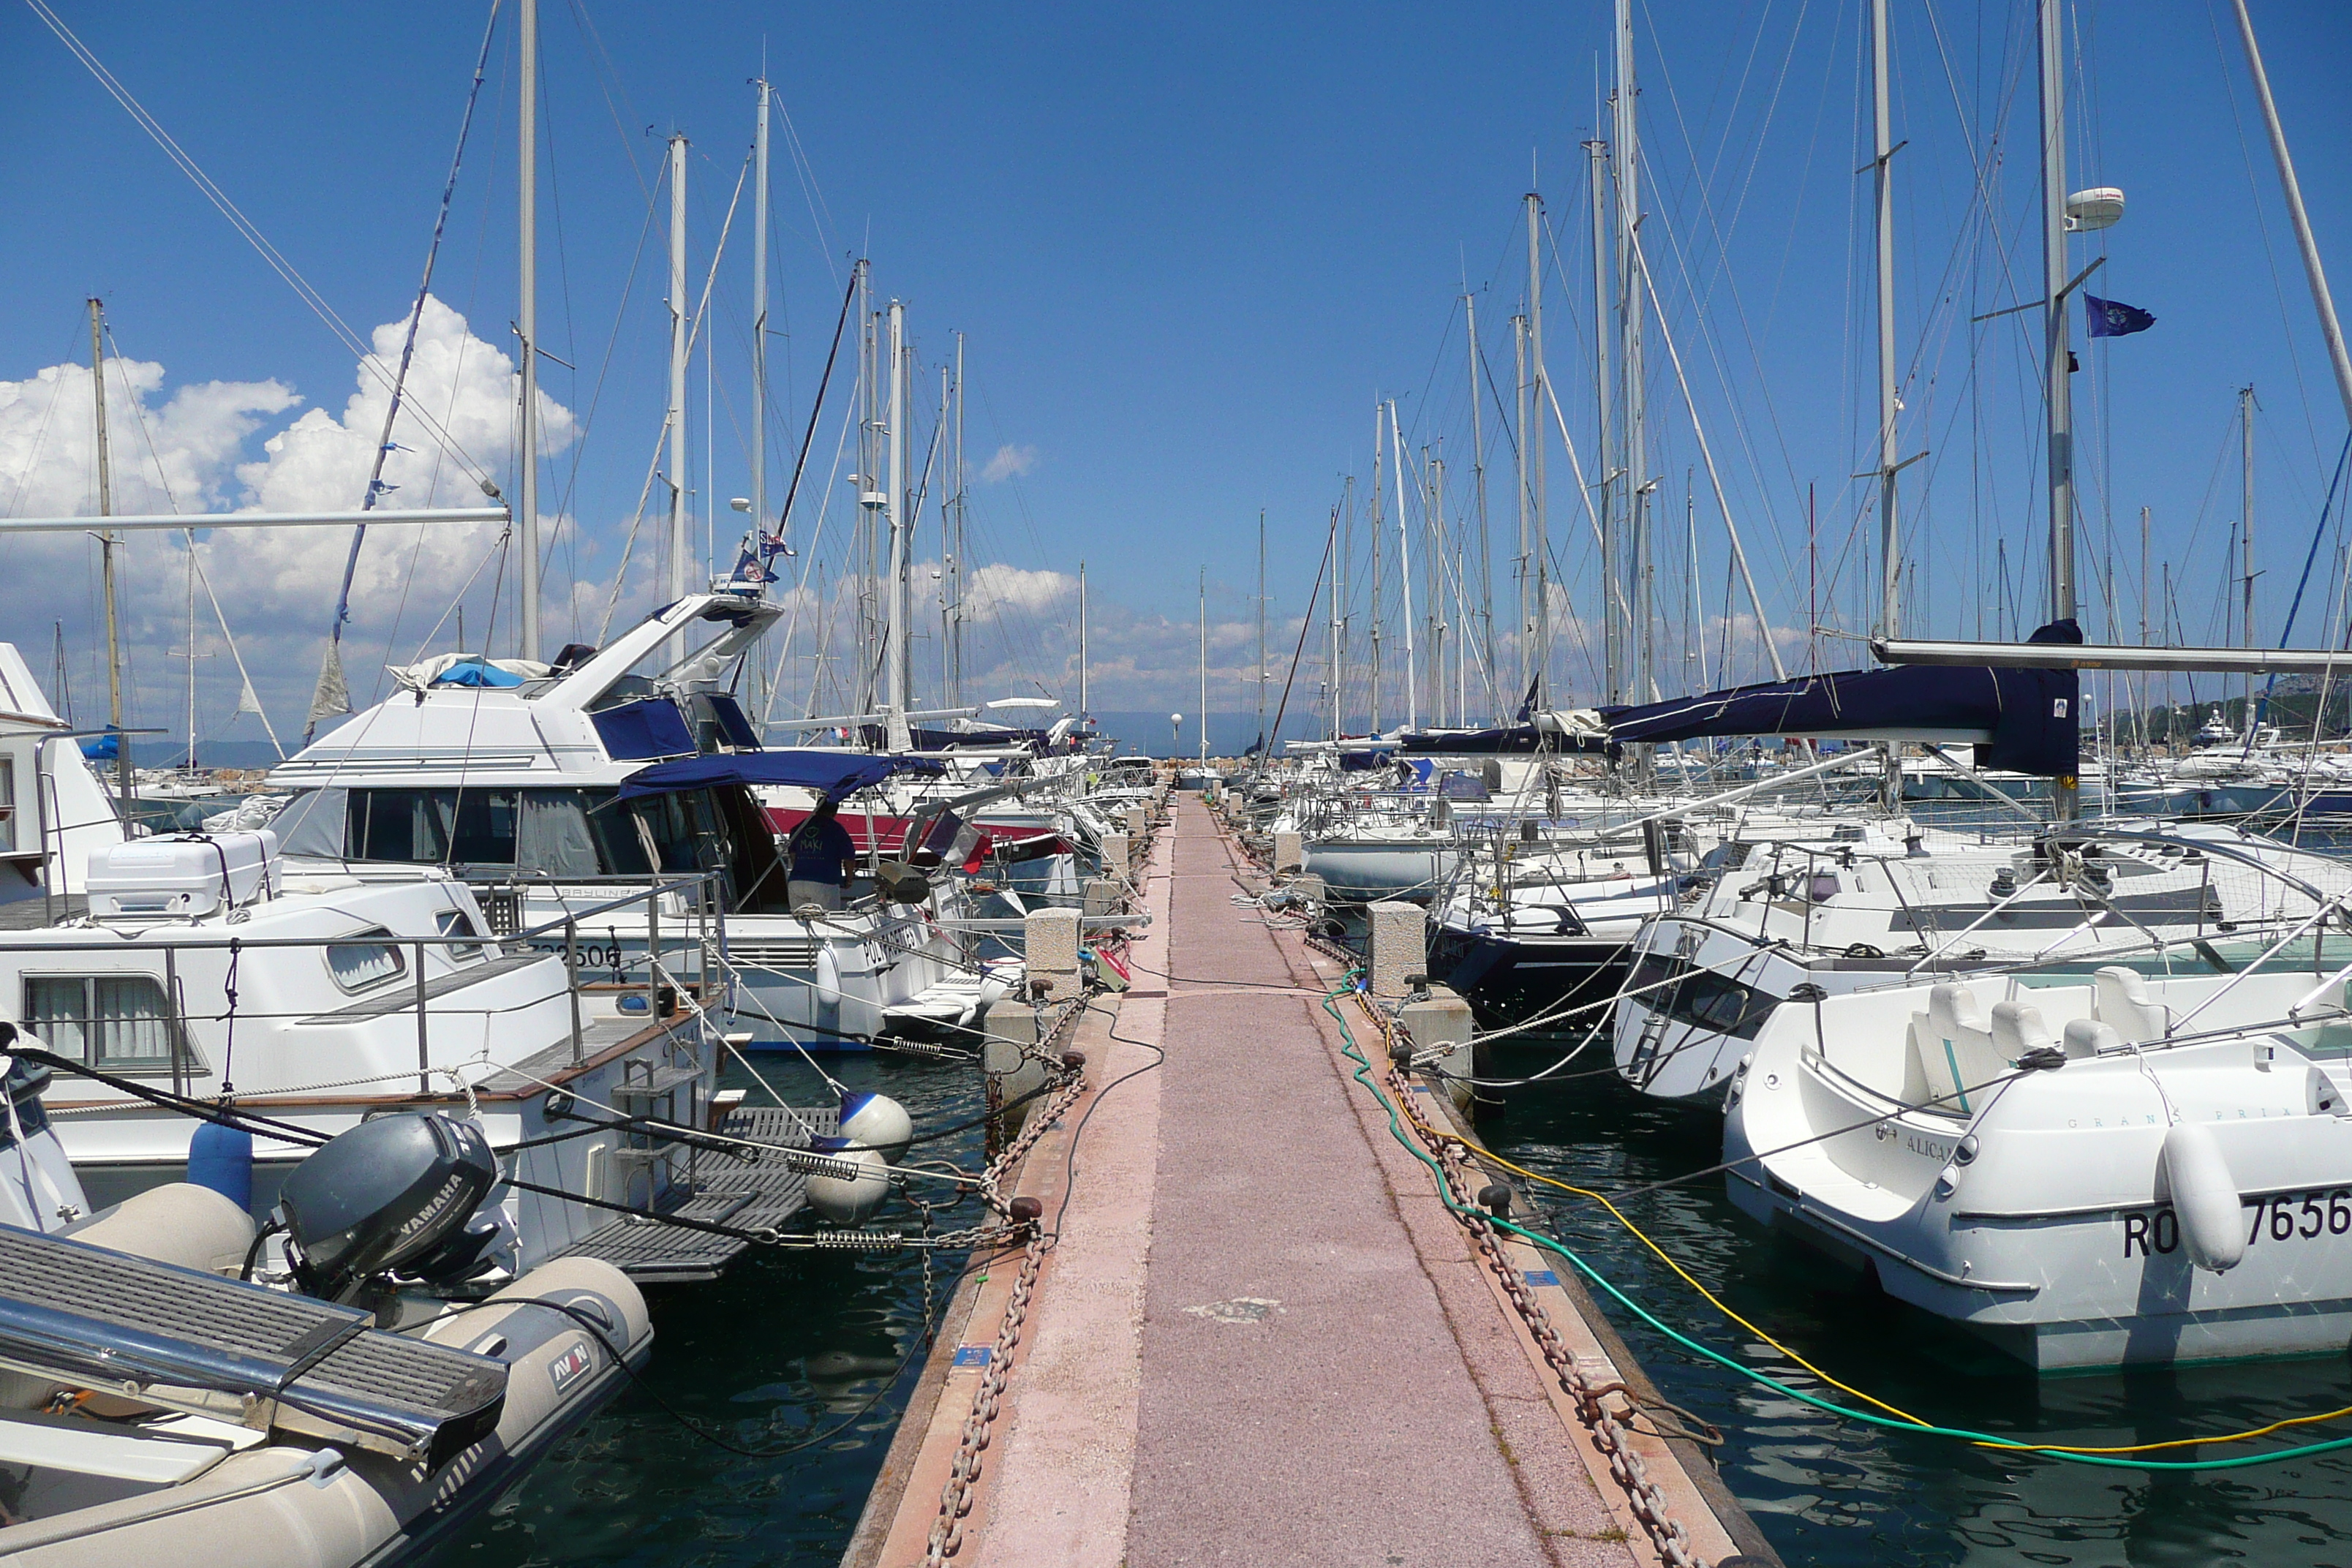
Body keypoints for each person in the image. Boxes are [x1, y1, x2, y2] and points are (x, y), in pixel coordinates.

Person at [785, 799, 859, 912]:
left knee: (800, 921)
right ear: (835, 811)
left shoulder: (800, 827)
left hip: (796, 881)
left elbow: (793, 854)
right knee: (827, 923)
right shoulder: (836, 829)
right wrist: (849, 880)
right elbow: (849, 858)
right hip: (824, 882)